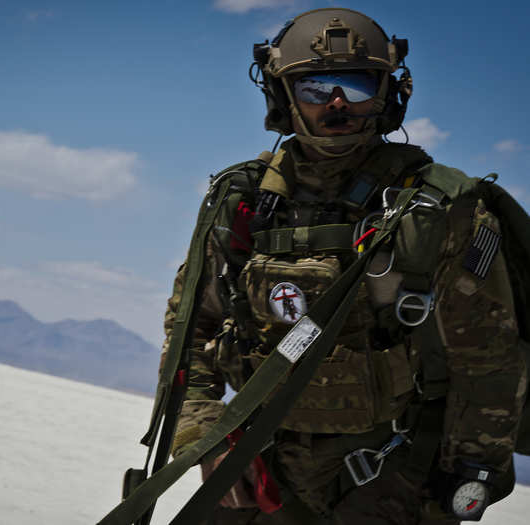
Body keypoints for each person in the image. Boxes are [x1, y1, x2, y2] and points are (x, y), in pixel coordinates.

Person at [158, 7, 527, 525]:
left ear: (386, 94)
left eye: (354, 86)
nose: (336, 103)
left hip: (394, 475)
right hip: (255, 469)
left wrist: (465, 476)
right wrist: (203, 439)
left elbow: (490, 359)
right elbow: (189, 332)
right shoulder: (241, 199)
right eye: (314, 88)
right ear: (282, 95)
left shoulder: (442, 207)